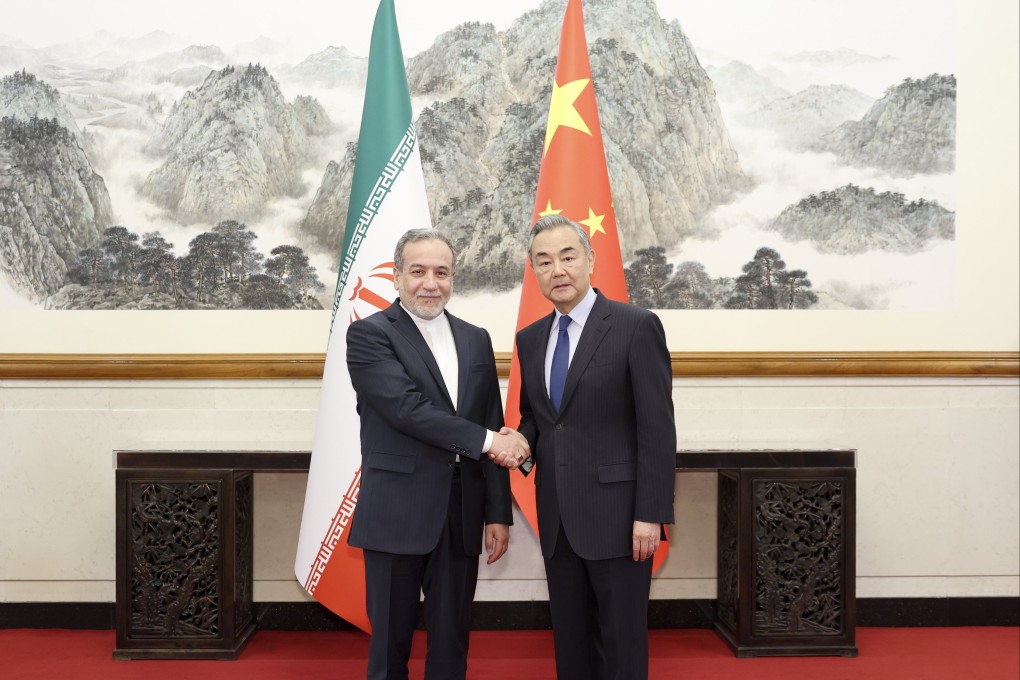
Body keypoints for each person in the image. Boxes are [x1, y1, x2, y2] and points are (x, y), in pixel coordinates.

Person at [498, 214, 676, 680]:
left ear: (590, 260)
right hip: (557, 520)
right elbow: (539, 417)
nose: (558, 270)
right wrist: (521, 442)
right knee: (572, 647)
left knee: (621, 646)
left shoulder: (636, 327)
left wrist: (650, 514)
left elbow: (657, 429)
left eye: (568, 256)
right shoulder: (531, 339)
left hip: (621, 521)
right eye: (544, 261)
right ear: (534, 271)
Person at [346, 228, 529, 680]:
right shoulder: (369, 336)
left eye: (442, 272)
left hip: (461, 513)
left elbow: (489, 416)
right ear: (396, 276)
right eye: (419, 271)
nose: (431, 283)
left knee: (451, 645)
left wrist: (497, 513)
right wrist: (492, 442)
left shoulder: (476, 339)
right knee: (389, 650)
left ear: (453, 278)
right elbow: (409, 410)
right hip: (396, 511)